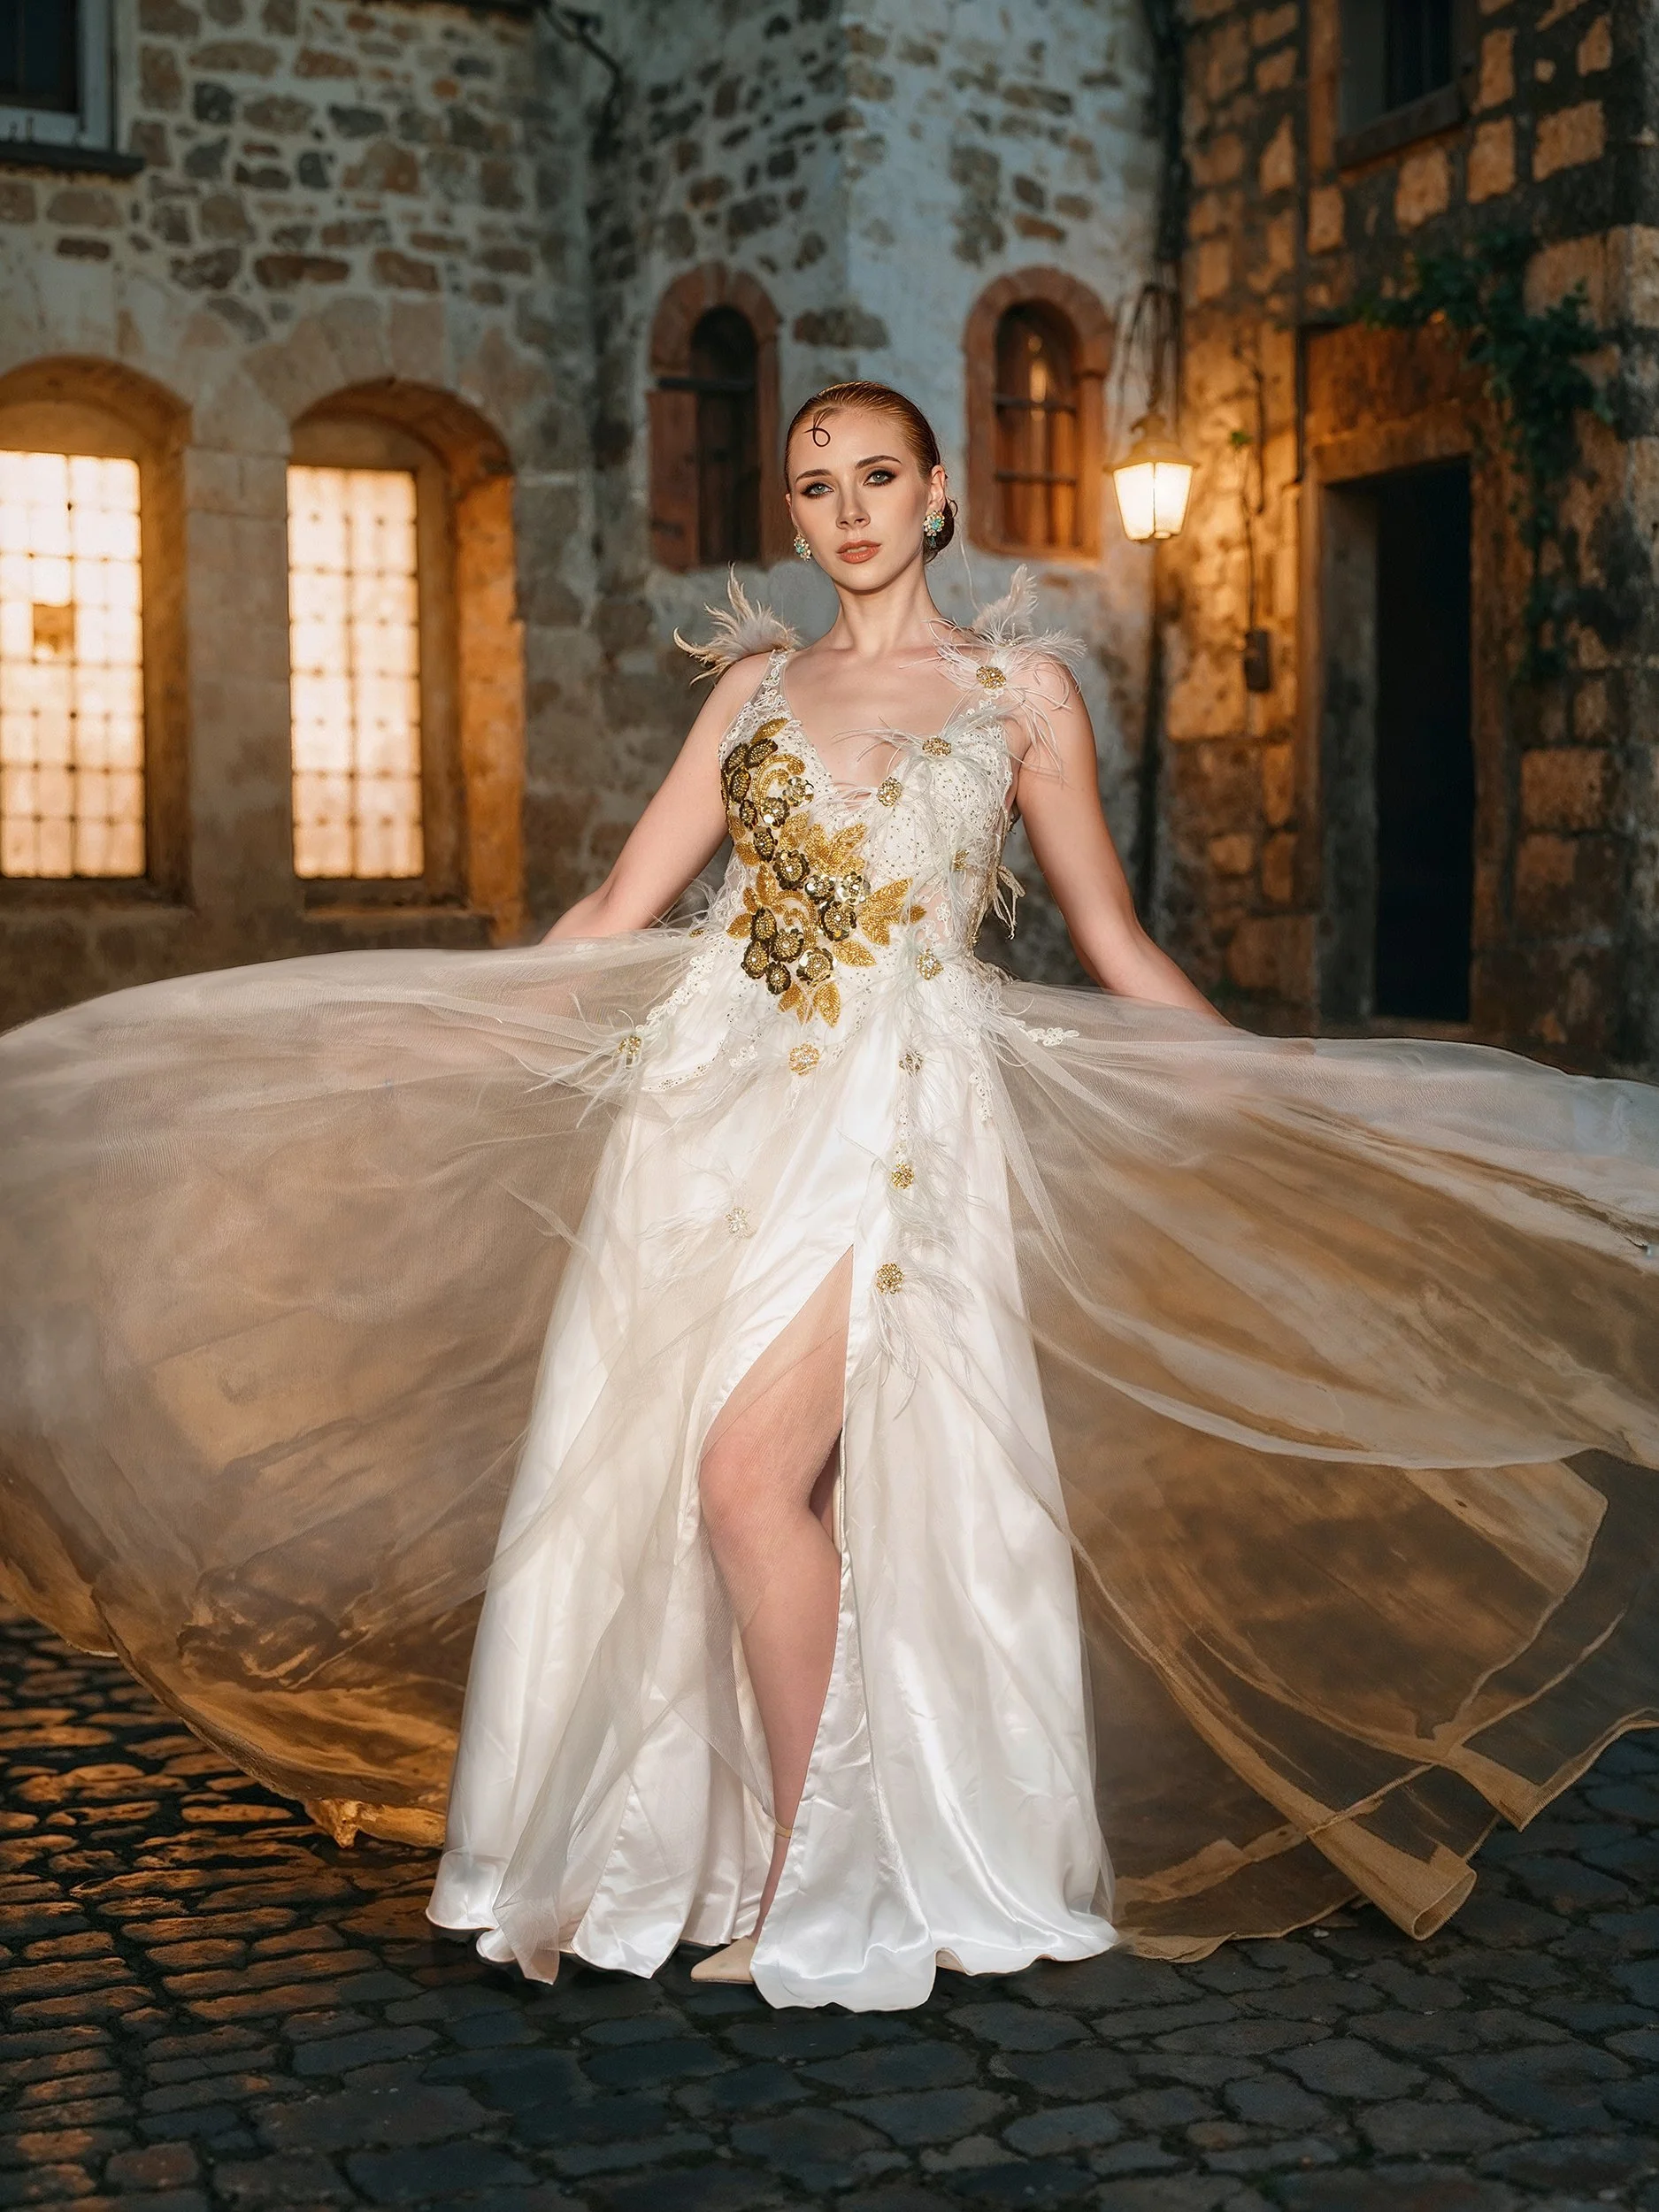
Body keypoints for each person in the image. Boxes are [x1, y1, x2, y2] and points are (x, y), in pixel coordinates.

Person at [3, 383, 1658, 2016]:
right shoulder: (749, 691)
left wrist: (1273, 1084)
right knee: (693, 1478)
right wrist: (424, 1033)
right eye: (814, 485)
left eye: (876, 475)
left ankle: (826, 1870)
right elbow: (615, 901)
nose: (846, 508)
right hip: (704, 1112)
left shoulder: (1021, 692)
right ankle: (782, 1840)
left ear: (937, 493)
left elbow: (1114, 938)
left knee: (743, 1482)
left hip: (895, 1117)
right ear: (792, 515)